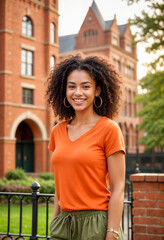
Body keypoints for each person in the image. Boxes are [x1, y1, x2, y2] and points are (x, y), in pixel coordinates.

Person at [47, 55, 125, 240]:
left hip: (96, 225)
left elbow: (118, 187)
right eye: (72, 86)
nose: (78, 92)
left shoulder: (109, 129)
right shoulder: (57, 131)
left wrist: (112, 234)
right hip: (63, 224)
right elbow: (61, 184)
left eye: (86, 86)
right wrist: (54, 222)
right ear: (64, 90)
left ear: (97, 90)